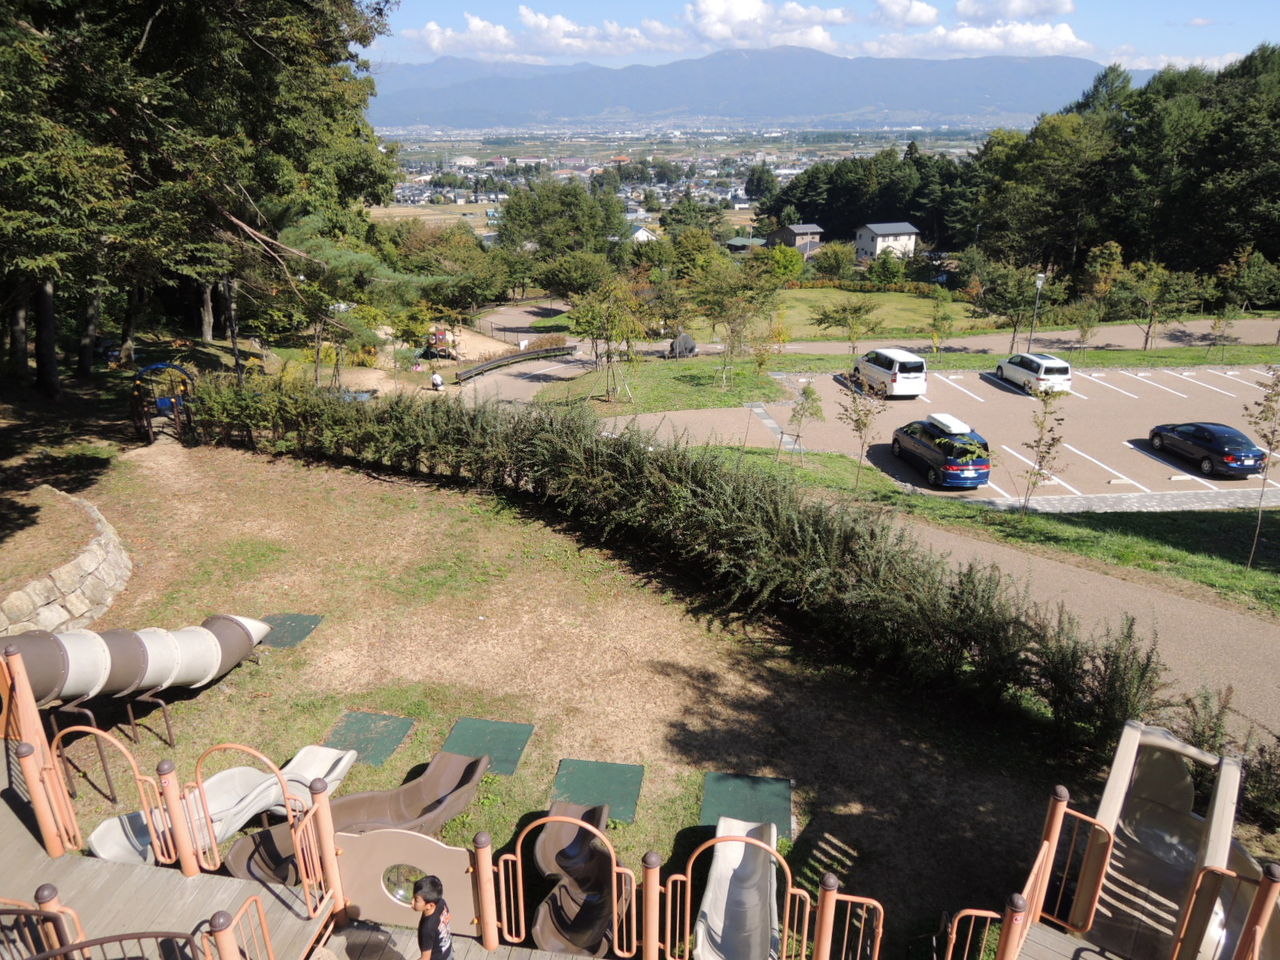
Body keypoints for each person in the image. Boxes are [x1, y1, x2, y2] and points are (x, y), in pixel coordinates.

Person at [412, 875, 454, 960]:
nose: (411, 902)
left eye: (416, 900)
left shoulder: (427, 928)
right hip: (447, 951)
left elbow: (425, 958)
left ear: (430, 905)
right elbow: (449, 916)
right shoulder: (441, 902)